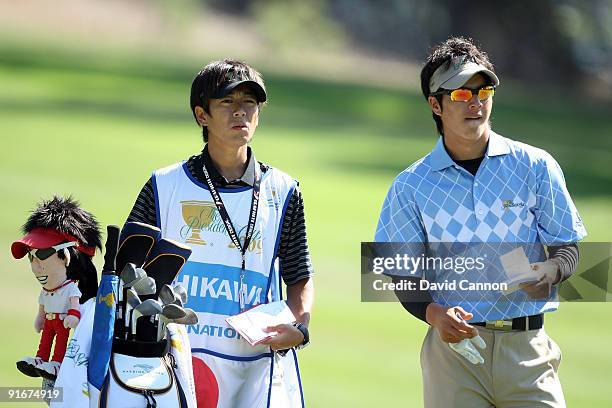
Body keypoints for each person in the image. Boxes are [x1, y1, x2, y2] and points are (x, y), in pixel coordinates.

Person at [375, 37, 586, 407]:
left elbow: (567, 245)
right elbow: (398, 270)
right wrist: (432, 313)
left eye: (483, 90)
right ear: (435, 104)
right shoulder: (410, 185)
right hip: (454, 356)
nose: (475, 102)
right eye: (460, 94)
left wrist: (551, 271)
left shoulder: (535, 166)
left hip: (528, 352)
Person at [126, 58, 314, 407]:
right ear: (202, 115)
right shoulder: (164, 185)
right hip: (173, 360)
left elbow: (299, 274)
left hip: (255, 369)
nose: (240, 112)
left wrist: (300, 330)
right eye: (227, 102)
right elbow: (127, 270)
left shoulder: (284, 190)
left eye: (249, 103)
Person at [11, 196, 101, 381]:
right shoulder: (48, 291)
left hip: (64, 326)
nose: (36, 266)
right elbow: (42, 306)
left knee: (60, 343)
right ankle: (40, 360)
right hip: (50, 322)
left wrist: (73, 316)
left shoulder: (90, 307)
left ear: (69, 256)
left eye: (43, 253)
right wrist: (40, 318)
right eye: (31, 256)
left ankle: (56, 363)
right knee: (45, 342)